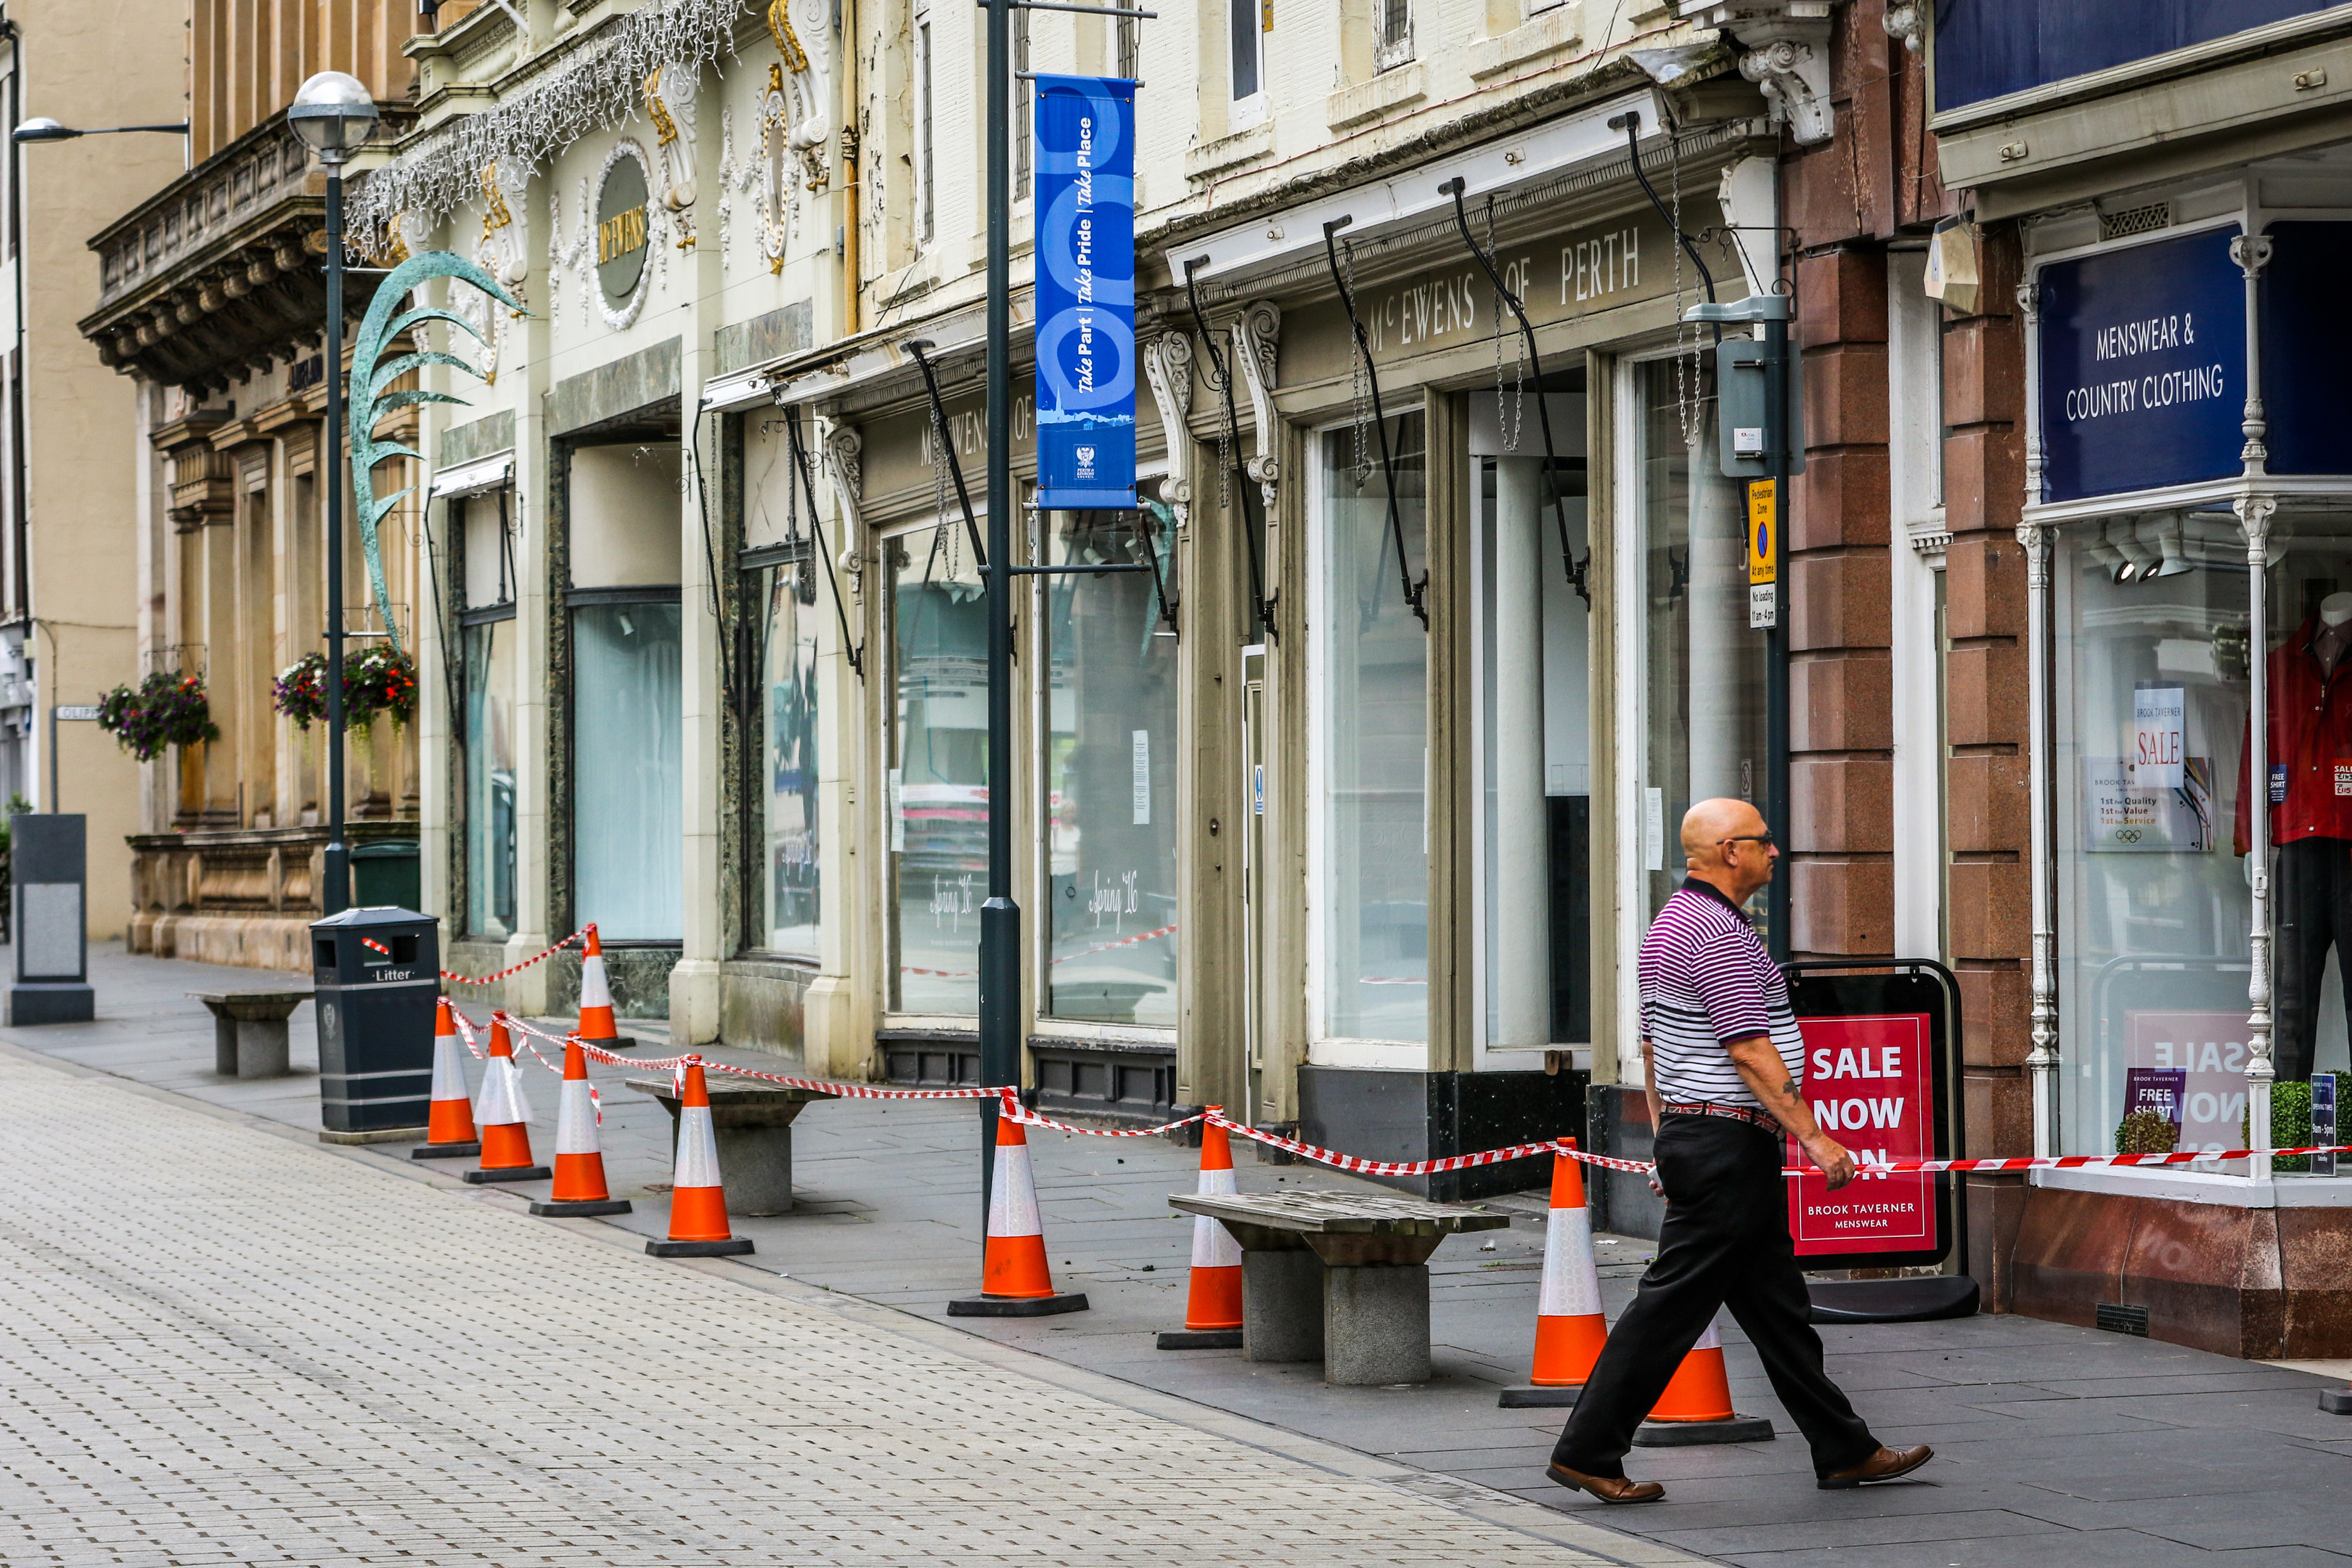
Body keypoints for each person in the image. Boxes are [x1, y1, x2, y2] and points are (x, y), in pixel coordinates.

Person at [1546, 797, 1932, 1504]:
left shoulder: (1672, 926)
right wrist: (1815, 1138)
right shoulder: (1717, 934)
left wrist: (1667, 1136)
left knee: (1777, 1312)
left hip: (1708, 1138)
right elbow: (1749, 1049)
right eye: (1763, 841)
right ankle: (1587, 1450)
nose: (1775, 853)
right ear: (1730, 851)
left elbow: (1656, 1046)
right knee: (1670, 1305)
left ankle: (1844, 1448)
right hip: (1726, 1142)